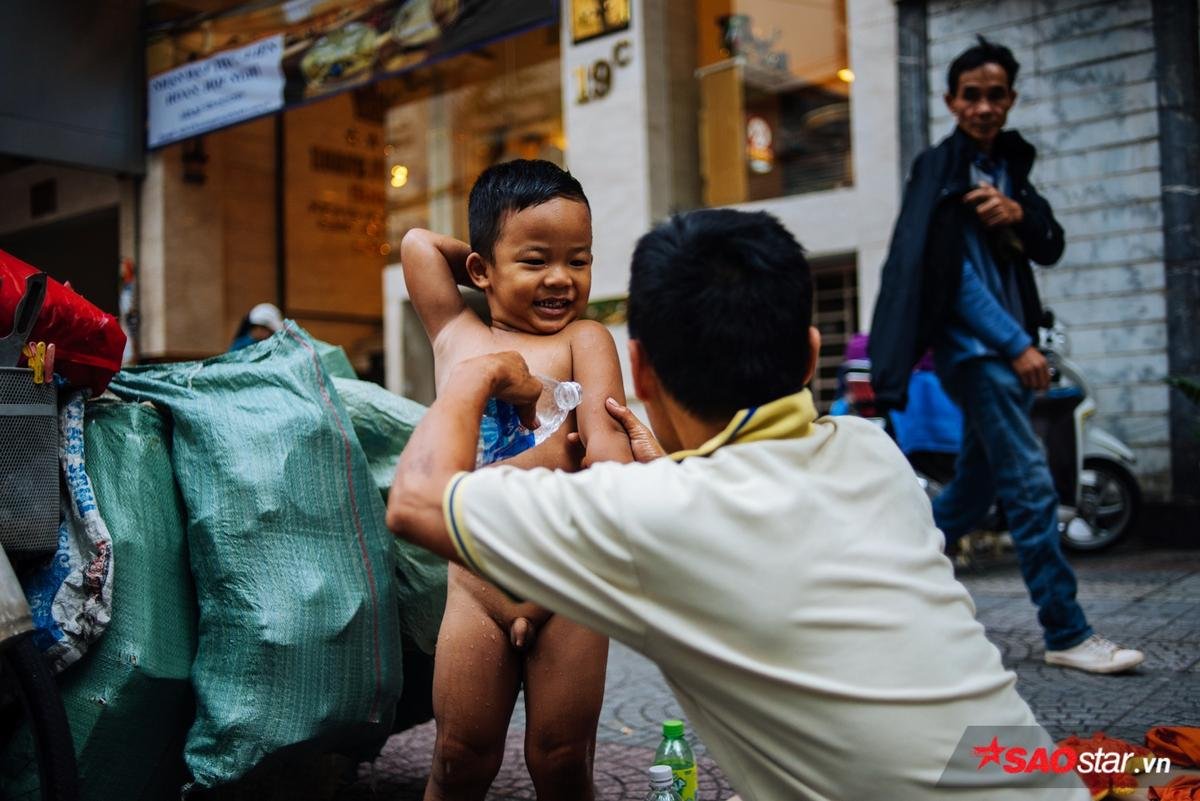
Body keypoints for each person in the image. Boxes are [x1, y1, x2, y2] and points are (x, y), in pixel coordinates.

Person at [387, 208, 1089, 800]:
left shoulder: (647, 513)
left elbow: (416, 499)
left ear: (642, 374)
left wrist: (476, 373)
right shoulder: (875, 455)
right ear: (812, 356)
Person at [868, 37, 1143, 674]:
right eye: (972, 96)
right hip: (977, 353)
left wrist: (1017, 214)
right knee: (1030, 484)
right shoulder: (940, 168)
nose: (984, 107)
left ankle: (878, 572)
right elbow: (949, 277)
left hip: (1007, 346)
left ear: (1011, 99)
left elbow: (1049, 245)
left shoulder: (1011, 169)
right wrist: (1015, 344)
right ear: (950, 101)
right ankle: (1067, 630)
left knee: (972, 491)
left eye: (996, 95)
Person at [399, 159, 632, 800]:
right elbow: (417, 245)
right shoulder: (457, 336)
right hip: (479, 592)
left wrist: (510, 259)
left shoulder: (587, 340)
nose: (561, 279)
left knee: (560, 762)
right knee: (458, 757)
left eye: (578, 260)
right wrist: (491, 256)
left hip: (569, 586)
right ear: (479, 270)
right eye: (536, 261)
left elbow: (607, 460)